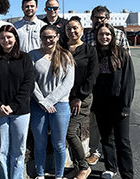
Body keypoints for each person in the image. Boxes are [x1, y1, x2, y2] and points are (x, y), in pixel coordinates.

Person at [83, 5, 130, 166]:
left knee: (118, 129)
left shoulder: (119, 35)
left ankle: (114, 156)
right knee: (95, 122)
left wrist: (125, 96)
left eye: (102, 17)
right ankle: (96, 152)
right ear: (92, 19)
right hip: (96, 88)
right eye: (96, 17)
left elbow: (126, 64)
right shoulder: (87, 36)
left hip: (115, 89)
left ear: (108, 18)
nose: (99, 20)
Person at [29, 24, 75, 179]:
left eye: (51, 37)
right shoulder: (33, 55)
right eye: (44, 37)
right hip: (37, 105)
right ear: (40, 38)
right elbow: (31, 81)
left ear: (57, 37)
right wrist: (42, 101)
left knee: (59, 144)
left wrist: (50, 101)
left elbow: (68, 83)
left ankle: (59, 175)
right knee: (40, 143)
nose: (48, 40)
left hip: (60, 105)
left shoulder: (66, 56)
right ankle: (40, 174)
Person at [0, 25, 34, 179]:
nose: (6, 40)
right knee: (1, 150)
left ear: (15, 38)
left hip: (20, 112)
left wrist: (13, 106)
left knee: (18, 151)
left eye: (9, 37)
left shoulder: (25, 58)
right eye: (2, 37)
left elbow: (28, 84)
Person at [92, 23, 135, 179]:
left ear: (112, 36)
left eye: (107, 34)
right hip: (101, 105)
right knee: (106, 139)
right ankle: (111, 167)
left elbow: (129, 81)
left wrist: (126, 106)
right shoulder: (94, 54)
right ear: (96, 37)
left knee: (123, 142)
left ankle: (127, 174)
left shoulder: (121, 53)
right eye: (101, 34)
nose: (104, 37)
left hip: (119, 105)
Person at [64, 16, 99, 179]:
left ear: (81, 30)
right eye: (69, 28)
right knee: (73, 134)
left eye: (75, 28)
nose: (72, 31)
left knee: (70, 133)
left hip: (81, 99)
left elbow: (92, 76)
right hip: (64, 98)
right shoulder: (62, 48)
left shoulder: (89, 50)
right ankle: (78, 167)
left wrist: (79, 97)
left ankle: (84, 167)